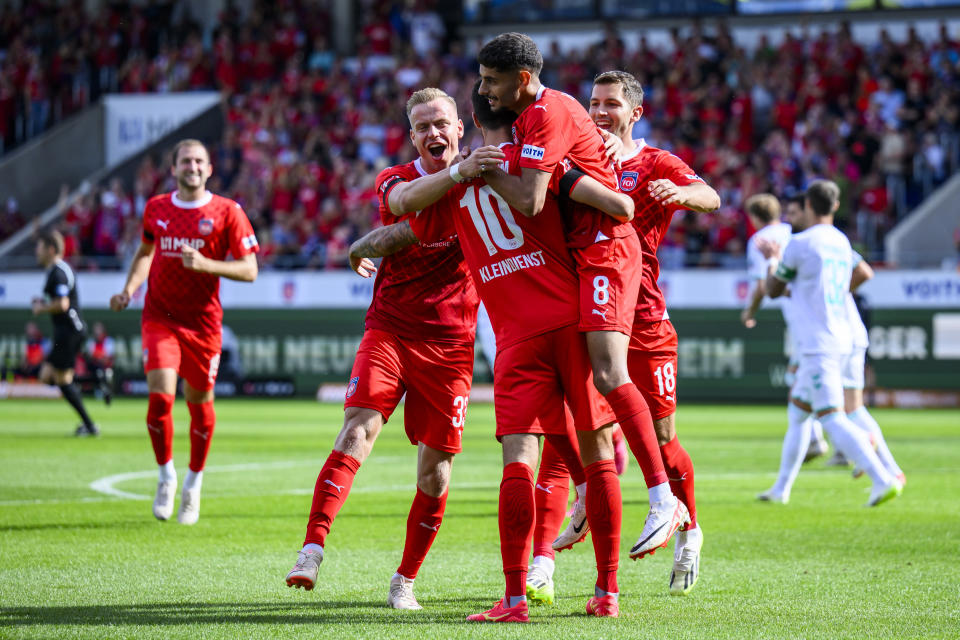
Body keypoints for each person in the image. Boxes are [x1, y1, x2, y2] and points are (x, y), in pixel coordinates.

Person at [477, 33, 688, 567]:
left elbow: (530, 197)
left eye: (491, 80)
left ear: (521, 79)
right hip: (584, 255)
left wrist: (479, 169)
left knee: (610, 375)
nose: (484, 88)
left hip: (606, 252)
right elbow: (588, 190)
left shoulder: (549, 111)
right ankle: (585, 502)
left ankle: (662, 498)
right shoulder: (534, 120)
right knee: (582, 394)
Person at [284, 88, 489, 611]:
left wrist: (366, 242)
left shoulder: (487, 179)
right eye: (422, 127)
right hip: (391, 329)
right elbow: (405, 208)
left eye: (441, 123)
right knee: (358, 427)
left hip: (451, 342)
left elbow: (404, 232)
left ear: (460, 127)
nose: (433, 133)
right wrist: (460, 176)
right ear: (412, 135)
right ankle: (312, 548)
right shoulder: (395, 178)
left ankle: (405, 579)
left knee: (436, 470)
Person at [529, 70, 722, 602]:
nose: (599, 112)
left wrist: (680, 191)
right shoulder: (573, 154)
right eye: (593, 103)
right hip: (585, 317)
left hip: (646, 323)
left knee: (662, 439)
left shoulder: (653, 161)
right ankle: (541, 563)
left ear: (635, 112)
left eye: (611, 104)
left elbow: (712, 197)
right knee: (566, 435)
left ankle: (688, 527)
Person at [110, 139, 260, 525]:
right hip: (159, 317)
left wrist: (208, 265)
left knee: (199, 405)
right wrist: (129, 289)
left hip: (203, 325)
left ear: (209, 169)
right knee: (160, 400)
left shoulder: (228, 211)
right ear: (173, 169)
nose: (191, 167)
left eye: (198, 161)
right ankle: (166, 476)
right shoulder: (156, 208)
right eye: (184, 161)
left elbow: (249, 269)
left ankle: (193, 484)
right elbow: (145, 253)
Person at [758, 180, 902, 507]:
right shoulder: (840, 240)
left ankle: (883, 478)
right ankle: (781, 489)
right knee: (798, 413)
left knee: (832, 417)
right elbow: (861, 273)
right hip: (840, 334)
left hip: (817, 342)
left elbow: (774, 289)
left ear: (809, 205)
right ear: (835, 206)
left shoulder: (800, 243)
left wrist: (772, 259)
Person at [842, 260, 906, 485]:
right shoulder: (828, 242)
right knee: (848, 408)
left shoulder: (823, 240)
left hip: (835, 338)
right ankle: (891, 469)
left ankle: (862, 444)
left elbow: (864, 271)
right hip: (842, 337)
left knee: (823, 407)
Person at [32, 230, 99, 436]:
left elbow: (62, 304)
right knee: (55, 378)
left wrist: (41, 308)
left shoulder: (59, 272)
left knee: (52, 377)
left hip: (69, 331)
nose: (37, 251)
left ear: (51, 249)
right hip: (68, 331)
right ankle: (96, 385)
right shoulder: (57, 270)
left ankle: (90, 422)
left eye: (40, 246)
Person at [84, 321, 115, 405]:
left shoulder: (109, 341)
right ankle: (100, 391)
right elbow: (89, 356)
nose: (97, 332)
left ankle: (107, 392)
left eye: (99, 329)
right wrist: (99, 357)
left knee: (105, 374)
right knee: (97, 372)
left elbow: (108, 358)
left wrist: (97, 356)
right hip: (93, 368)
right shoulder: (91, 342)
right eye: (95, 330)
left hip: (106, 368)